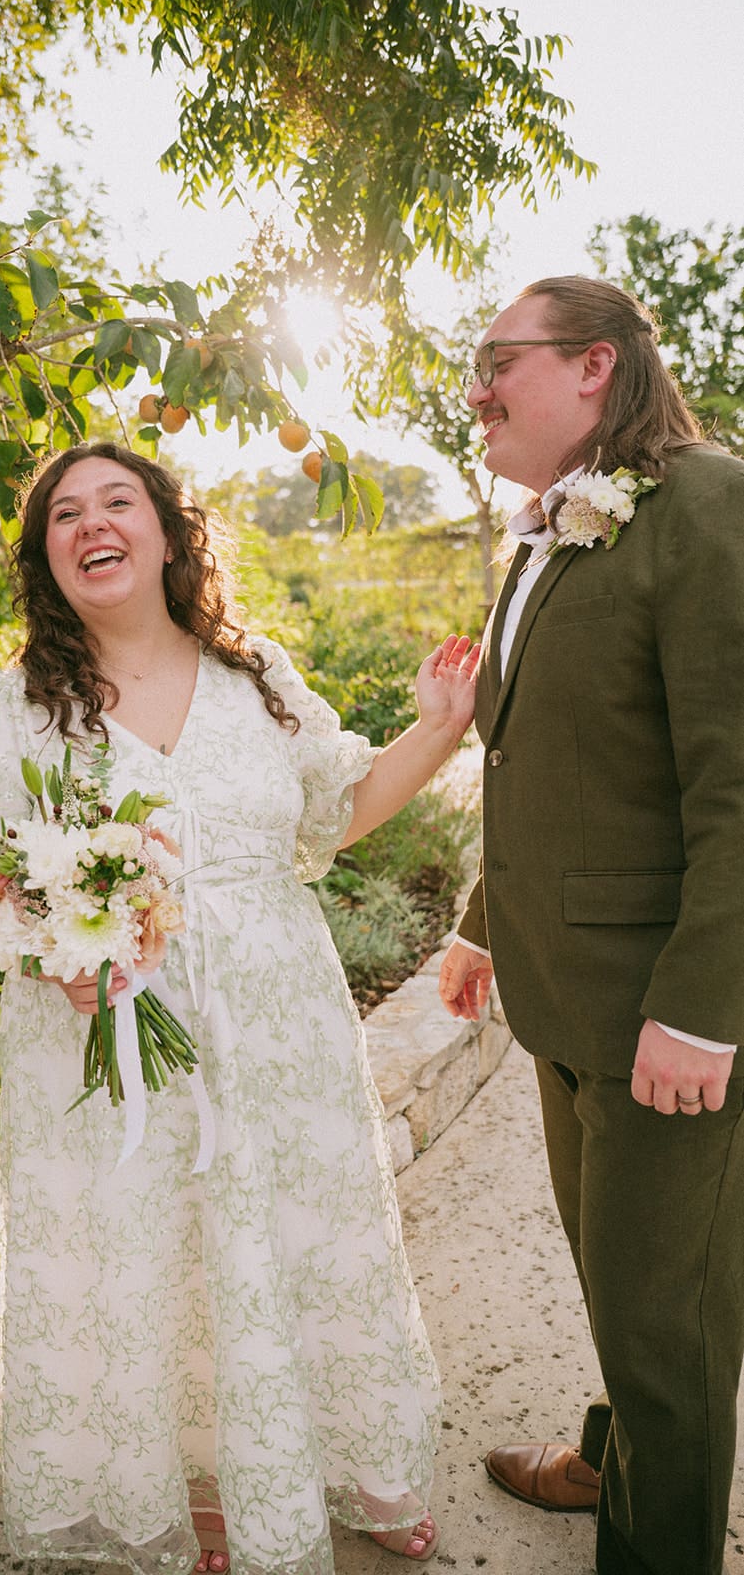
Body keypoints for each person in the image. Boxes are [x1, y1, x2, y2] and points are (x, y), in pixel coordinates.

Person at [0, 440, 479, 1575]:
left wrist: (438, 726)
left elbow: (334, 810)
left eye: (116, 501)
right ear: (46, 559)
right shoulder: (2, 711)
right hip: (100, 1040)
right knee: (149, 1255)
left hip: (279, 1031)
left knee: (298, 1242)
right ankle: (194, 1494)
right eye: (63, 515)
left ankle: (356, 1471)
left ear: (169, 532)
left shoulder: (256, 675)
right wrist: (40, 952)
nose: (90, 524)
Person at [438, 276, 744, 1575]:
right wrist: (477, 922)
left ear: (592, 366)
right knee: (624, 1289)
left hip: (660, 1029)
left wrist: (700, 1008)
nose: (472, 390)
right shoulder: (545, 531)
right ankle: (605, 1459)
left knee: (668, 1336)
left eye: (492, 359)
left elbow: (734, 781)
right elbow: (541, 759)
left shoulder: (705, 505)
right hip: (566, 1011)